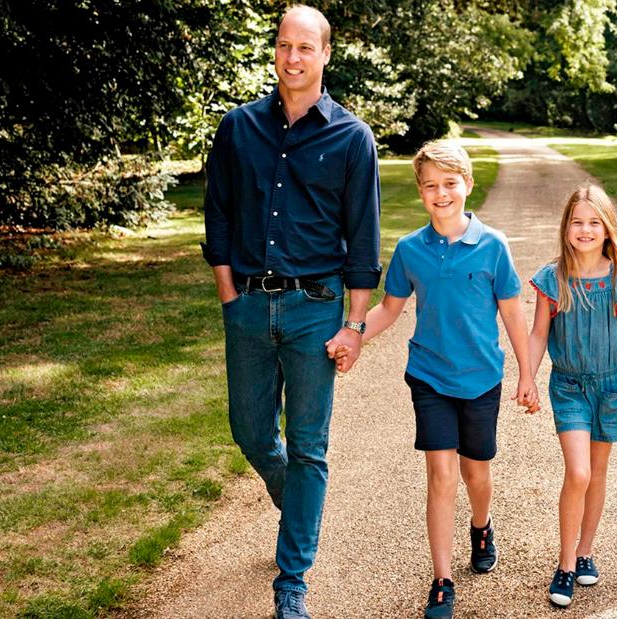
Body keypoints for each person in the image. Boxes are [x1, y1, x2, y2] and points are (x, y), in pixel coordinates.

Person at [200, 6, 380, 619]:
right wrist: (228, 295)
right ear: (275, 51)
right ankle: (298, 506)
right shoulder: (238, 127)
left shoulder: (352, 138)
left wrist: (355, 325)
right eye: (284, 46)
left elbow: (363, 239)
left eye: (306, 47)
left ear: (326, 55)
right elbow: (218, 215)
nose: (293, 58)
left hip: (316, 308)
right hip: (247, 305)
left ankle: (291, 582)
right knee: (251, 432)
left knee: (308, 447)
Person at [355, 140, 537, 619]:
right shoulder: (411, 250)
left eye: (450, 184)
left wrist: (527, 374)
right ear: (420, 191)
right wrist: (353, 335)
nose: (441, 194)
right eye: (431, 186)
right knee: (440, 474)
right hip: (429, 377)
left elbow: (514, 314)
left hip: (481, 379)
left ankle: (482, 526)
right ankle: (442, 579)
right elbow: (389, 310)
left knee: (476, 472)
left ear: (468, 185)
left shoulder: (493, 246)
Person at [527, 184, 617, 608]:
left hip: (610, 387)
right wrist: (528, 375)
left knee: (596, 473)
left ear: (608, 229)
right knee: (577, 473)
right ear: (566, 227)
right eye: (577, 221)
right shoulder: (552, 278)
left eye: (594, 222)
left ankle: (585, 550)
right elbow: (539, 332)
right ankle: (564, 564)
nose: (585, 229)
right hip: (570, 386)